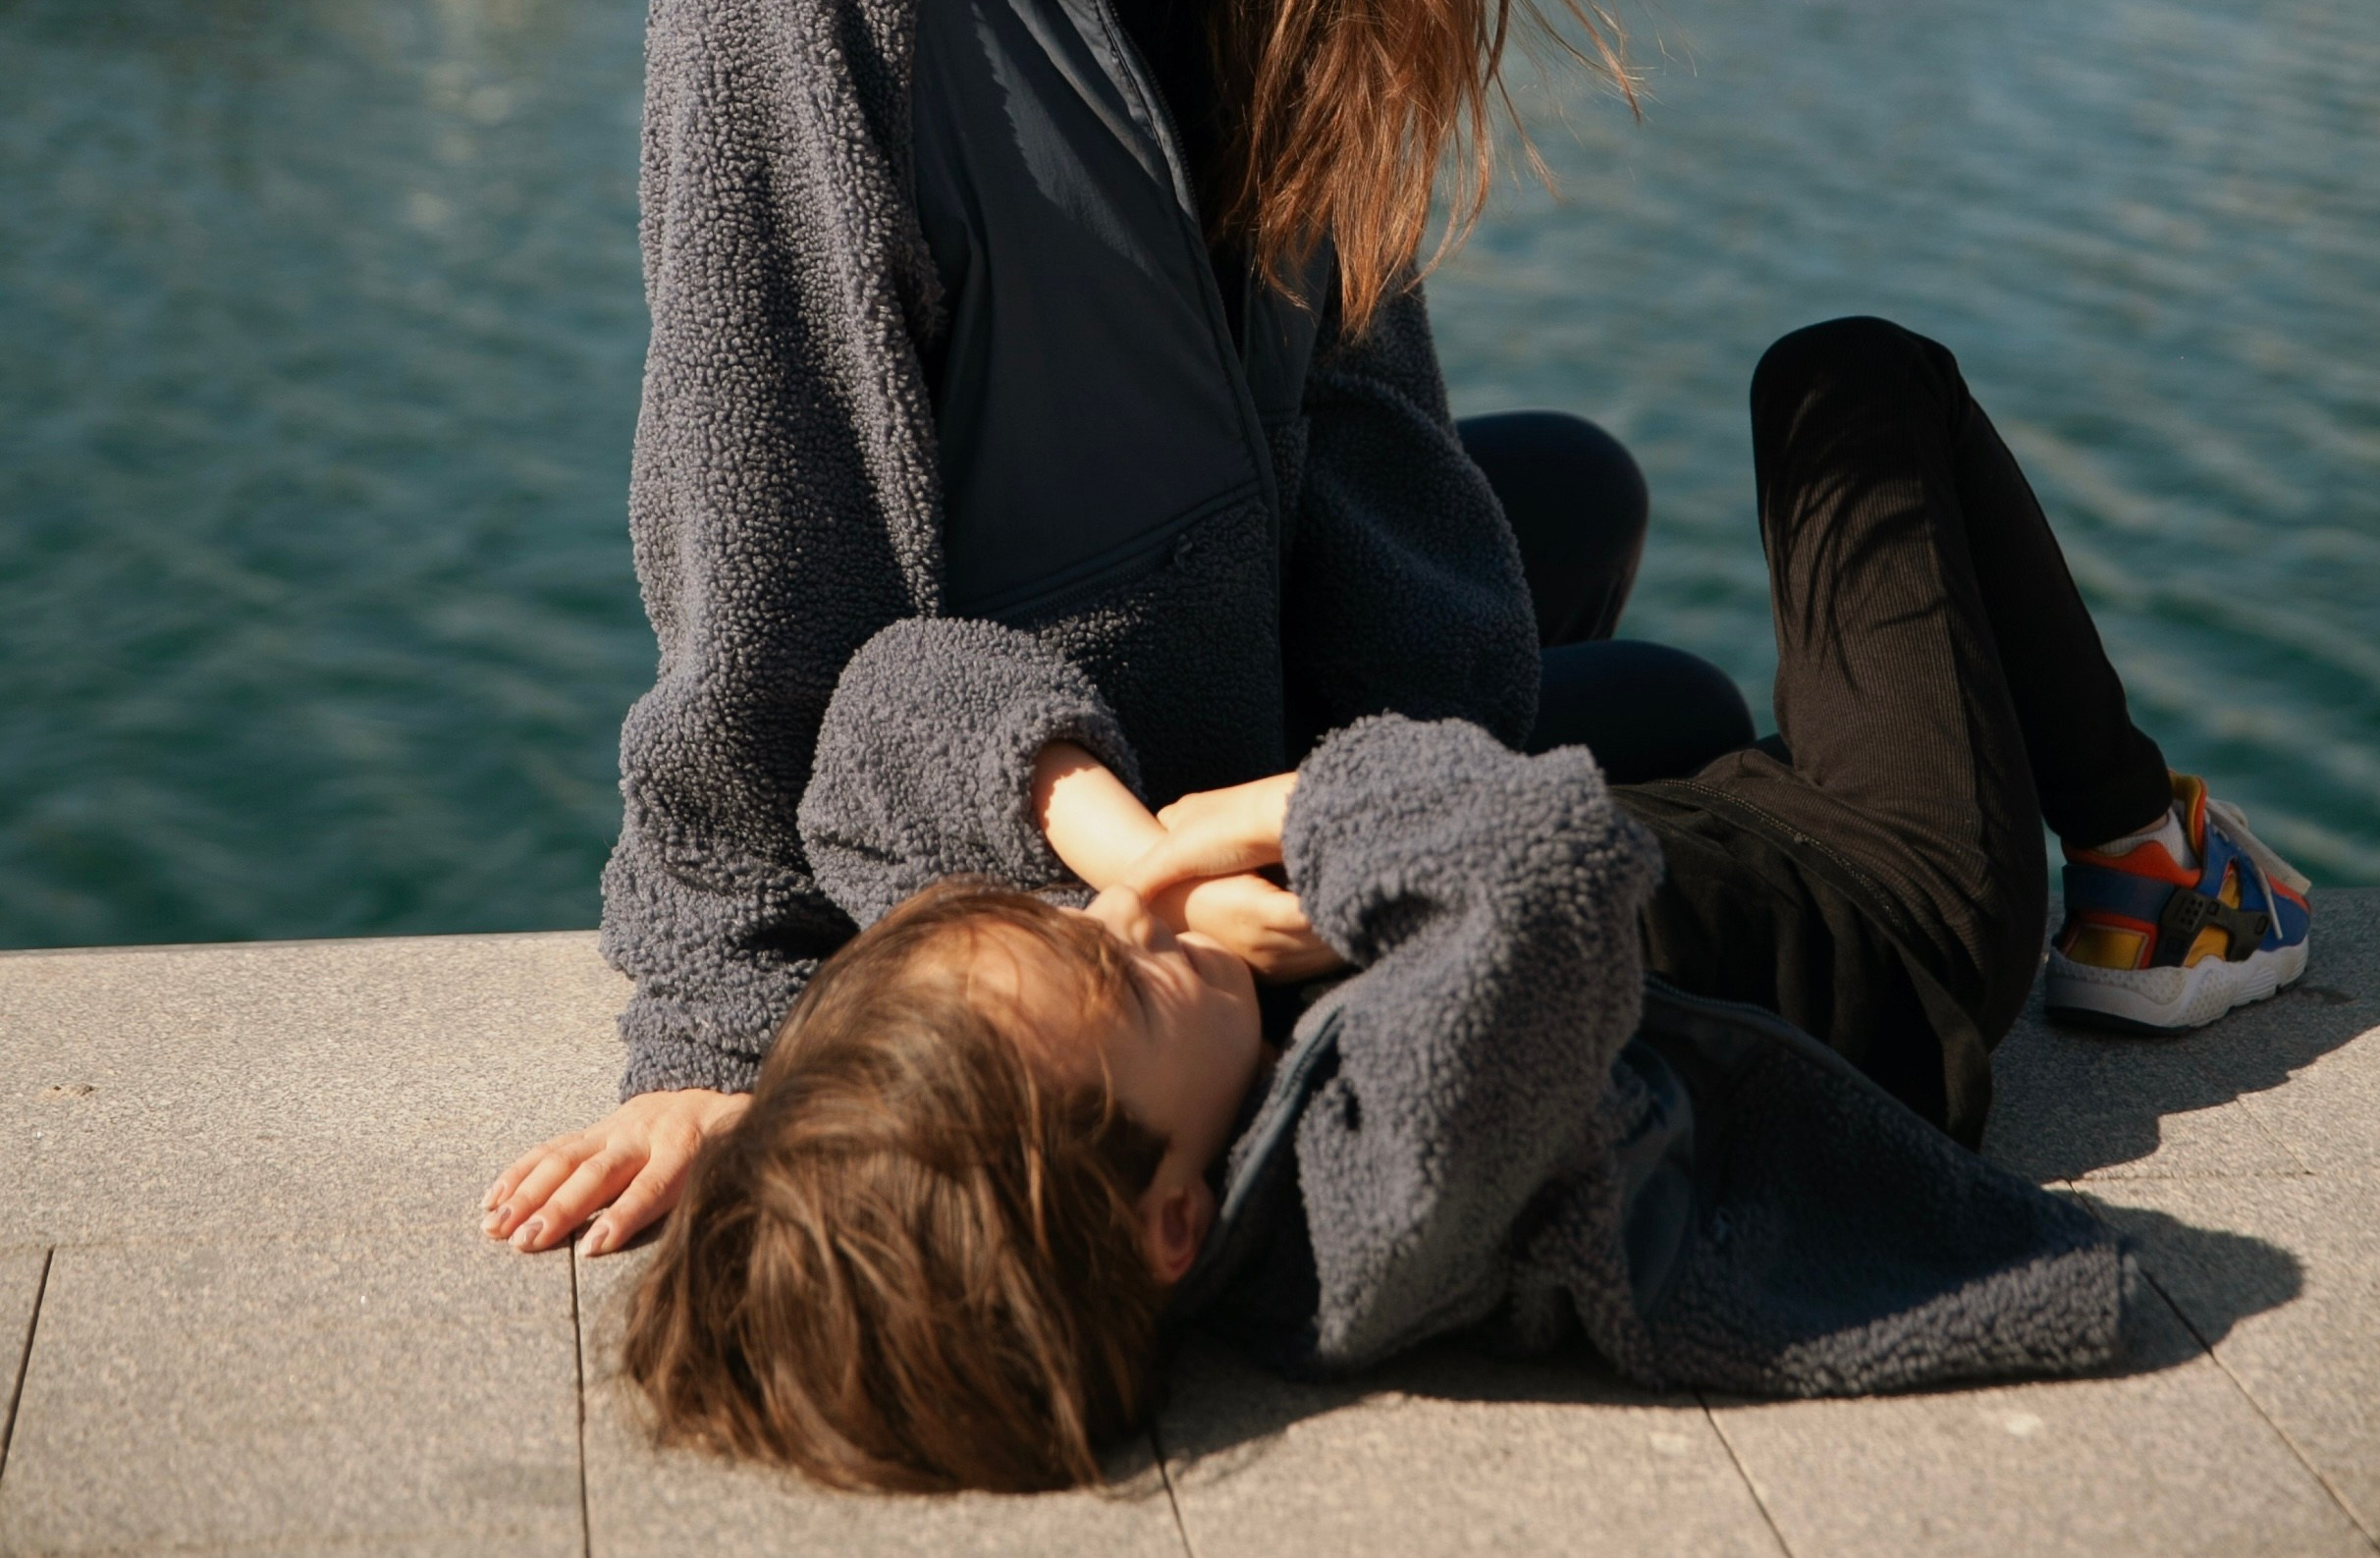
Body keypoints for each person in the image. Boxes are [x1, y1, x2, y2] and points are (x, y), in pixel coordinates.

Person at [488, 0, 1754, 1258]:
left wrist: (1397, 804)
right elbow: (761, 528)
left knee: (1572, 491)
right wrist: (734, 1037)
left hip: (1228, 662)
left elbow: (1363, 405)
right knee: (1685, 714)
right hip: (1018, 779)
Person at [602, 314, 2311, 1493]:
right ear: (1174, 1229)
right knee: (1848, 384)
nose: (1135, 930)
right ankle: (2149, 864)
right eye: (1121, 982)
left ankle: (1973, 768)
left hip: (1702, 864)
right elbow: (1539, 882)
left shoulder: (1130, 1041)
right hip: (1877, 904)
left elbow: (889, 708)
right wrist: (1282, 848)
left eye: (1072, 927)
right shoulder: (1366, 1186)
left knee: (1616, 576)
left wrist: (1115, 849)